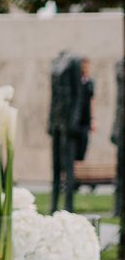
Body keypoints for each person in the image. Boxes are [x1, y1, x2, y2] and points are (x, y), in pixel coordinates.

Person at [49, 52, 93, 211]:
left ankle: (68, 206)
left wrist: (73, 122)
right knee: (55, 166)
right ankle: (53, 206)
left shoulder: (73, 63)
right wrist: (50, 122)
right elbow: (53, 96)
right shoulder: (55, 63)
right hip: (57, 122)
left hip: (68, 124)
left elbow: (78, 95)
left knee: (68, 167)